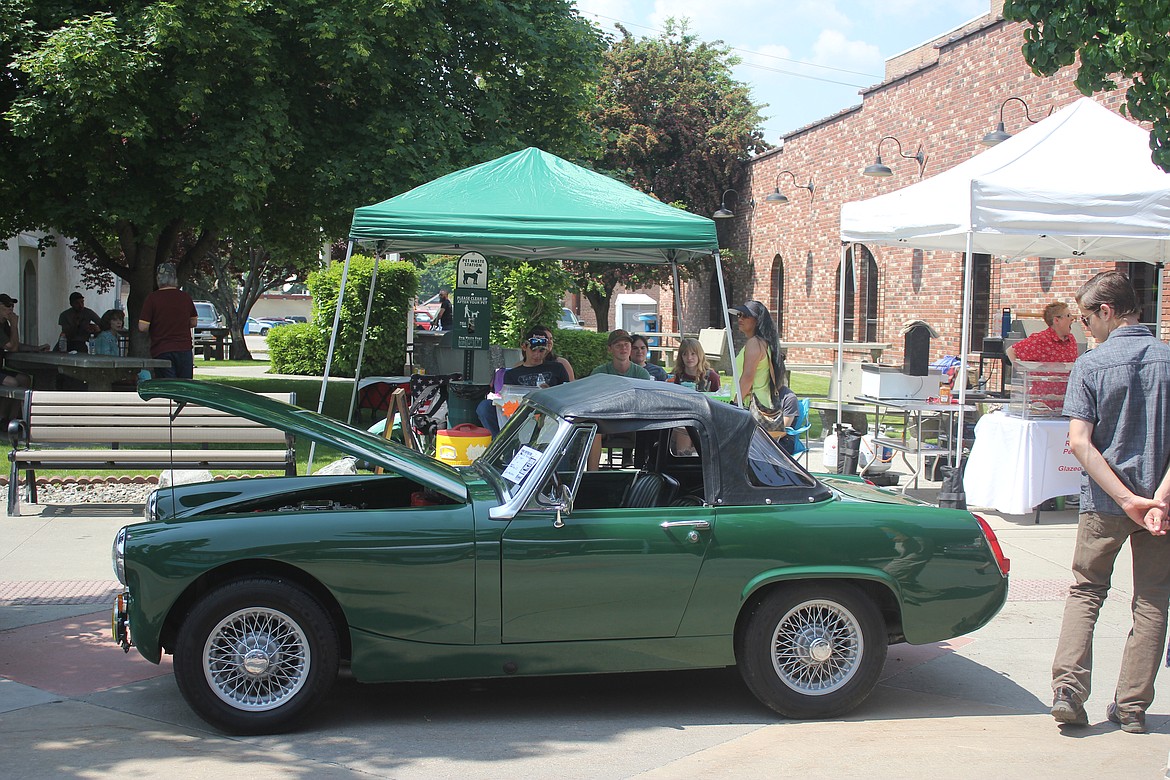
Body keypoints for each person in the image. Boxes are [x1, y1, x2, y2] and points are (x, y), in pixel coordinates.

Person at [1049, 271, 1170, 735]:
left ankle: (1068, 691)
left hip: (1106, 500)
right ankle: (1133, 705)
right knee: (1153, 599)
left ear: (1106, 311)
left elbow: (1080, 442)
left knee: (1086, 590)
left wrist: (1126, 497)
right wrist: (1156, 498)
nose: (1083, 328)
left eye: (1086, 318)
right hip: (1159, 504)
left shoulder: (1091, 364)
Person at [730, 300, 799, 454]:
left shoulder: (755, 343)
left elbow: (747, 378)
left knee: (746, 455)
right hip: (761, 406)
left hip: (751, 407)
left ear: (757, 320)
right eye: (739, 315)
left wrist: (734, 404)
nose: (740, 319)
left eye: (745, 315)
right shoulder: (765, 343)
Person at [138, 263, 198, 379]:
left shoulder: (152, 298)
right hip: (184, 348)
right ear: (175, 279)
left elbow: (142, 327)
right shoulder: (185, 297)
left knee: (169, 387)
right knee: (184, 386)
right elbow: (194, 322)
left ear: (158, 279)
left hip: (162, 349)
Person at [1, 293, 49, 424]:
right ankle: (2, 418)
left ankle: (12, 420)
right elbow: (12, 347)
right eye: (7, 306)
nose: (11, 309)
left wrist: (35, 348)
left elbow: (15, 344)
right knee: (12, 383)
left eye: (12, 305)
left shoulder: (4, 325)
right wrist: (15, 325)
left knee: (25, 380)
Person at [1005, 301, 1079, 363]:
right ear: (1056, 320)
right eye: (1068, 315)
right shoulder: (1040, 340)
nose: (1072, 318)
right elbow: (1011, 351)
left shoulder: (1071, 340)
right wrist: (1020, 373)